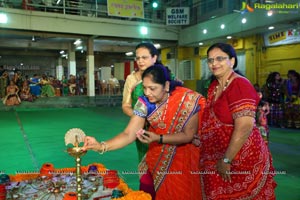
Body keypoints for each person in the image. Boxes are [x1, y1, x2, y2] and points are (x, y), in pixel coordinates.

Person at [82, 64, 206, 200]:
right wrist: (101, 146)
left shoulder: (188, 100)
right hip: (156, 159)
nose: (147, 93)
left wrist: (158, 138)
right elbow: (128, 134)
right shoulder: (144, 102)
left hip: (184, 160)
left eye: (152, 88)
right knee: (148, 189)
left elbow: (188, 135)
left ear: (166, 86)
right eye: (145, 88)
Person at [200, 43, 276, 199]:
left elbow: (245, 126)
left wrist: (227, 159)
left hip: (240, 159)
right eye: (210, 60)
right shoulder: (214, 86)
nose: (214, 63)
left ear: (232, 61)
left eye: (220, 58)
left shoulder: (239, 85)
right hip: (217, 155)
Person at [122, 42, 160, 163]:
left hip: (163, 127)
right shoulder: (132, 79)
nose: (140, 61)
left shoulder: (165, 76)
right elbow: (126, 105)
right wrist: (140, 117)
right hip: (142, 129)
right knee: (145, 164)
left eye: (144, 57)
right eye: (138, 58)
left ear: (154, 58)